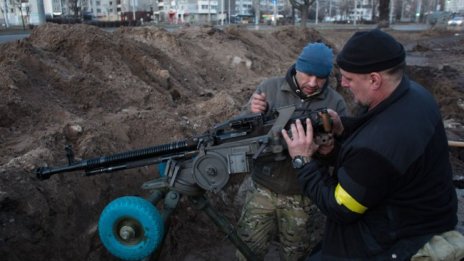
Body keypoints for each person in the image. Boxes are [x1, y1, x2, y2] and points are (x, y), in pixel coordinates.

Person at [282, 29, 464, 260]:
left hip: (394, 240)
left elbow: (341, 207)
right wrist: (342, 128)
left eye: (348, 78)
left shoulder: (385, 140)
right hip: (418, 217)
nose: (344, 84)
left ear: (374, 79)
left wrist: (303, 160)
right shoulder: (414, 95)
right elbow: (375, 161)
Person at [235, 42, 348, 261]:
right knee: (247, 251)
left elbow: (345, 153)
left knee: (296, 255)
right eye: (307, 74)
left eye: (321, 77)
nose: (313, 83)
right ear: (297, 67)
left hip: (304, 197)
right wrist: (251, 113)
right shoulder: (269, 89)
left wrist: (328, 150)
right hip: (263, 190)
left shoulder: (335, 103)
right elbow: (239, 131)